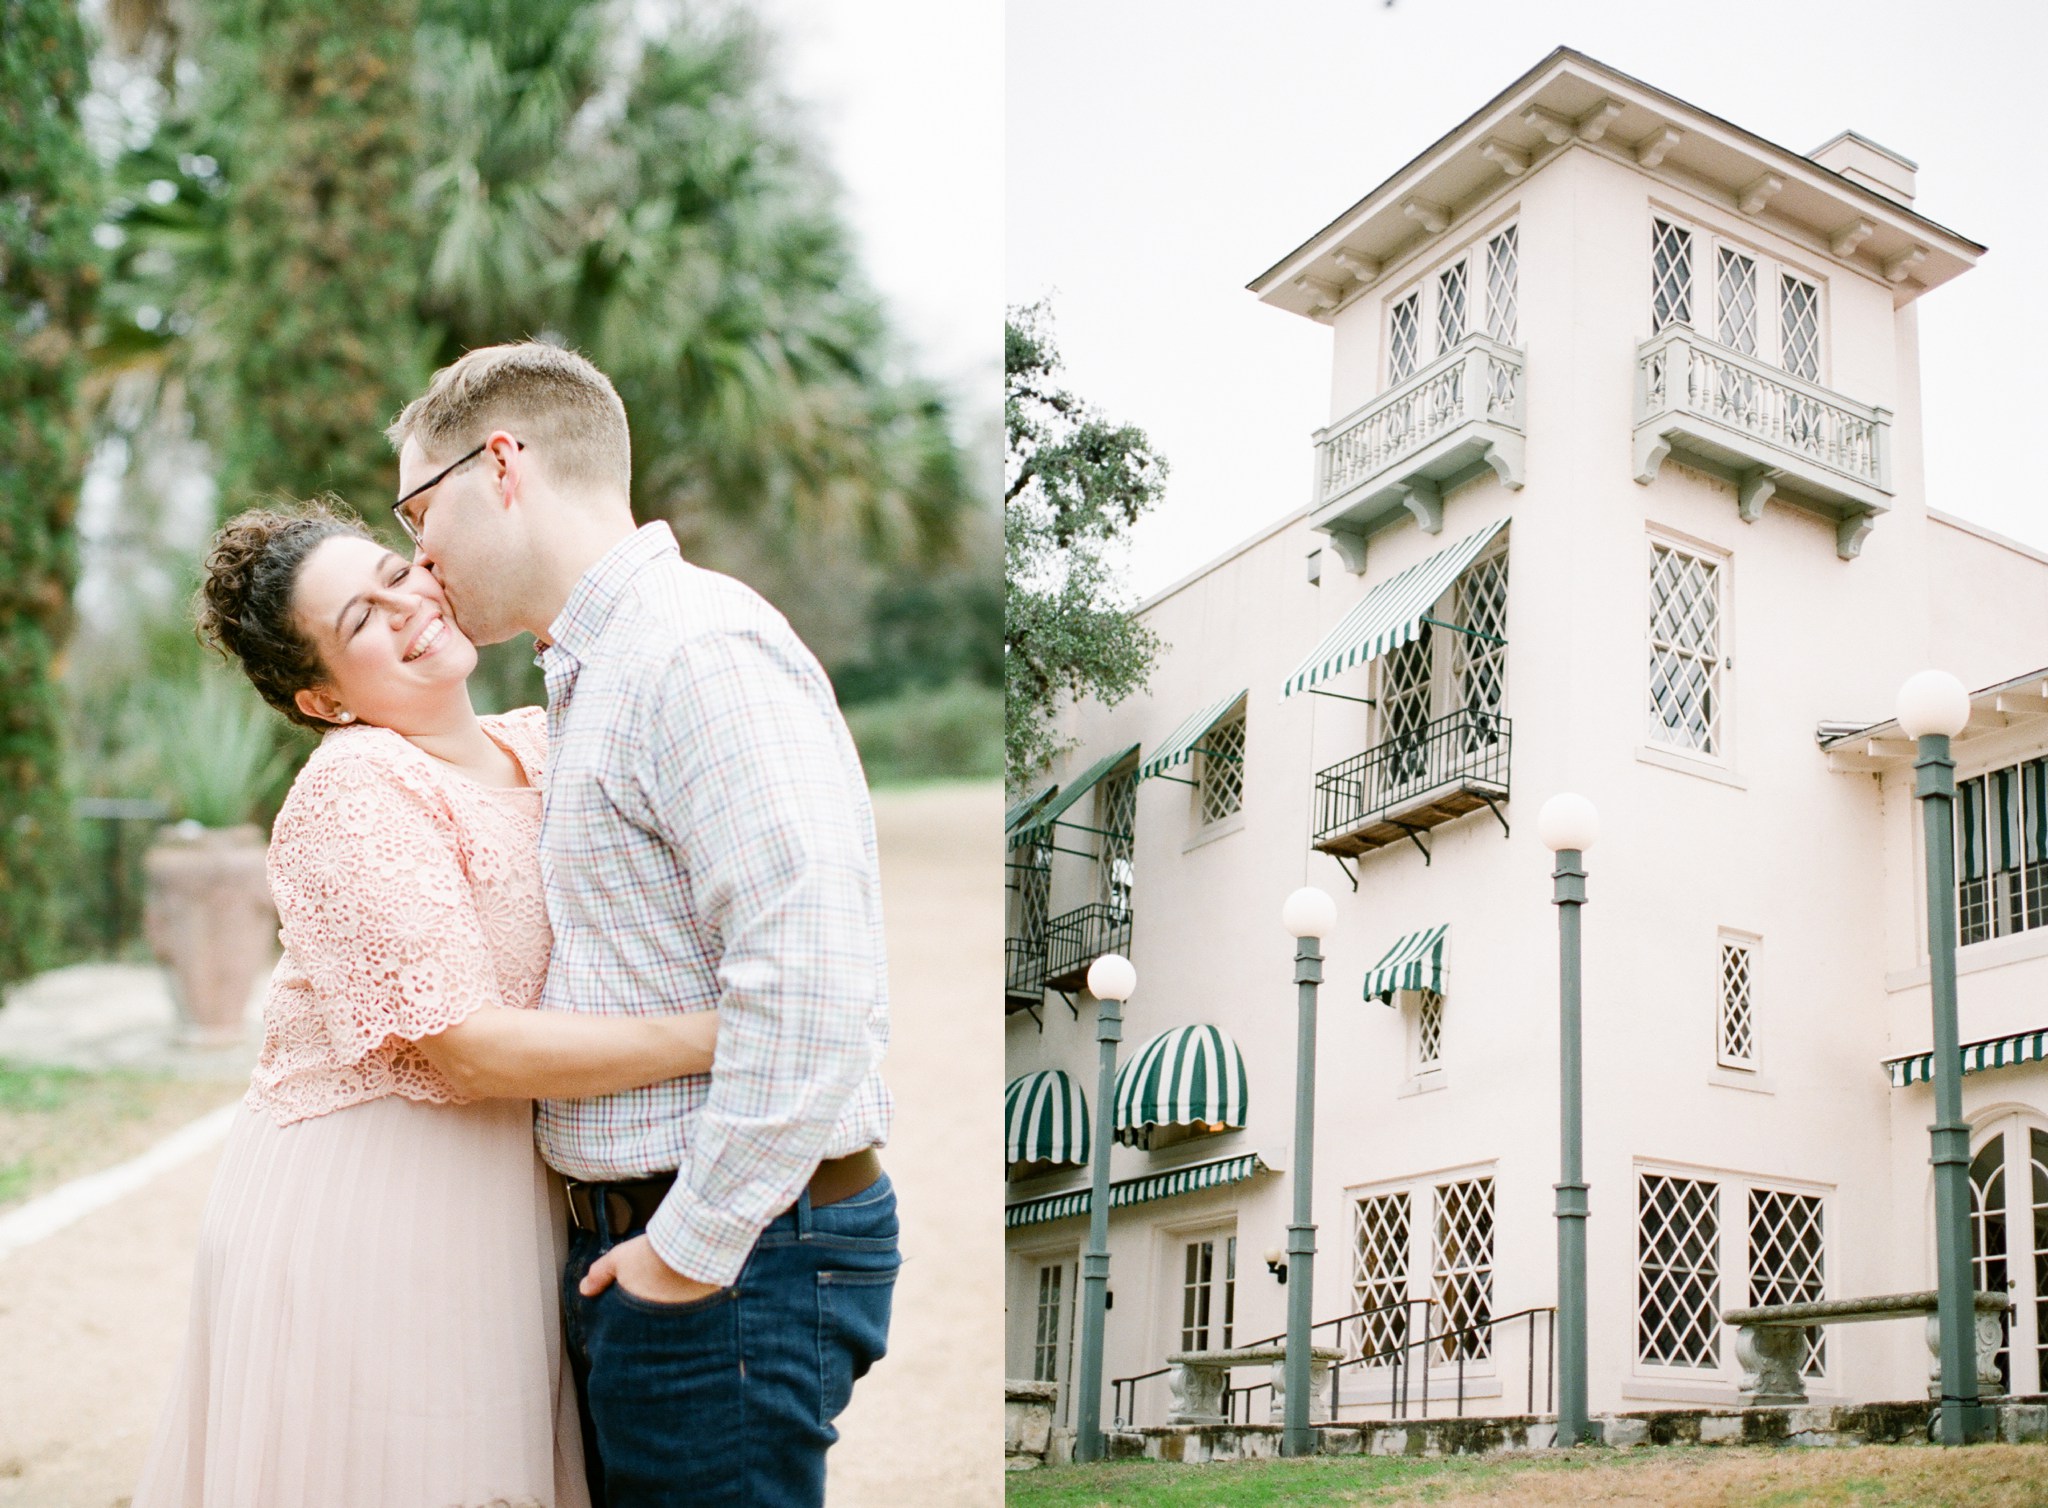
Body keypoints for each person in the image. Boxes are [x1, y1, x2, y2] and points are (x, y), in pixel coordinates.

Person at [388, 340, 896, 1508]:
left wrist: (686, 1251)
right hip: (687, 1241)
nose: (419, 551)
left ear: (501, 462)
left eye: (421, 507)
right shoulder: (599, 665)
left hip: (733, 1252)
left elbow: (813, 975)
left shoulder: (691, 650)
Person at [133, 501, 722, 1508]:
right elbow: (468, 1047)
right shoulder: (354, 788)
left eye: (393, 573)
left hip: (511, 1189)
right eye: (359, 619)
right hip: (376, 1200)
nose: (405, 607)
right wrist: (730, 1034)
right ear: (321, 698)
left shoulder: (540, 741)